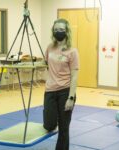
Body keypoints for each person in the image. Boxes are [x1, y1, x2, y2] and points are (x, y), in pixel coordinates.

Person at [43, 18, 79, 150]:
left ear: (66, 31)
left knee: (64, 128)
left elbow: (74, 76)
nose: (58, 32)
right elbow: (45, 63)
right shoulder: (50, 47)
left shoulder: (72, 51)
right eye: (56, 29)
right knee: (49, 124)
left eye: (61, 30)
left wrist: (71, 97)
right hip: (50, 90)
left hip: (65, 91)